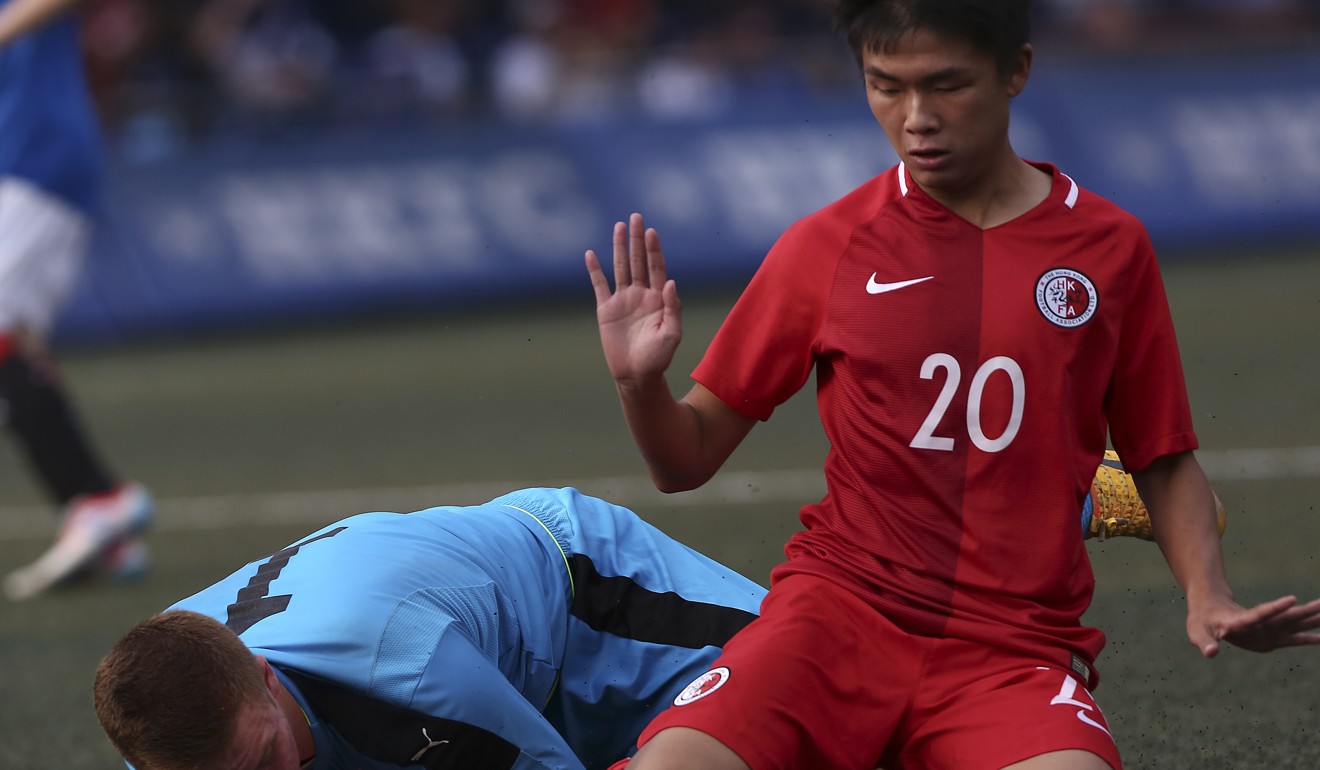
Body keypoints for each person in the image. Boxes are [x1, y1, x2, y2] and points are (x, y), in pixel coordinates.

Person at [584, 2, 1320, 769]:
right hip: (833, 623)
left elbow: (1161, 458)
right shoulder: (824, 245)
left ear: (1016, 72)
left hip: (1012, 650)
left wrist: (1208, 594)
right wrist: (642, 386)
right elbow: (684, 462)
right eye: (886, 86)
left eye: (946, 85)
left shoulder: (1110, 250)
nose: (916, 118)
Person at [93, 487, 767, 770]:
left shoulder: (403, 673)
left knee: (842, 698)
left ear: (265, 680)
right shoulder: (160, 731)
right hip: (466, 683)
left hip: (586, 597)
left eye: (264, 762)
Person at [0, 0, 153, 601]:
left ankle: (100, 500)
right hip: (25, 167)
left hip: (34, 161)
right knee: (17, 348)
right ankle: (101, 526)